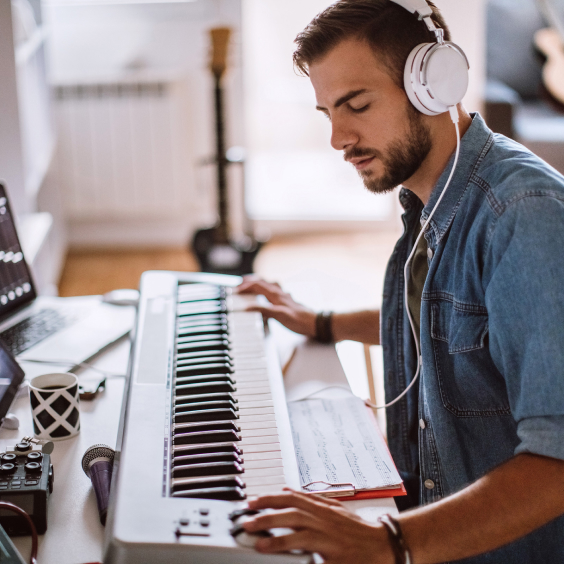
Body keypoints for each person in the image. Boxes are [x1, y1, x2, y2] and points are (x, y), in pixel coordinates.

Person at [236, 1, 564, 563]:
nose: (338, 138)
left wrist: (388, 541)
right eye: (326, 113)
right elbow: (448, 324)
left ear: (434, 85)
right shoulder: (431, 194)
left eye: (356, 105)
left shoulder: (523, 217)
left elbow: (557, 463)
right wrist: (320, 322)